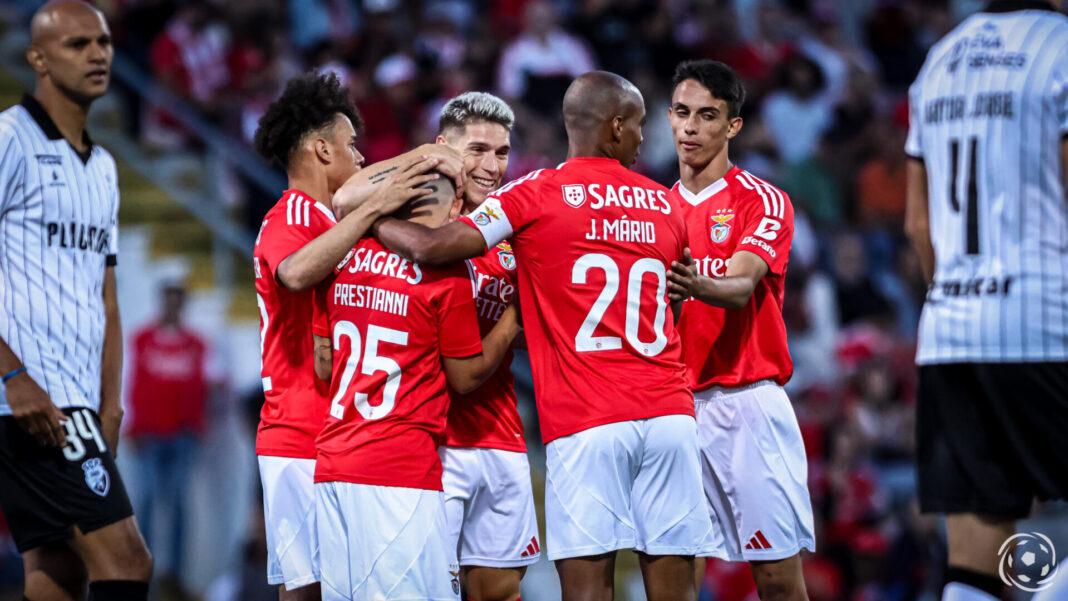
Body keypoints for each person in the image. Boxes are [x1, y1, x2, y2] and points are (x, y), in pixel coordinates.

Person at [374, 71, 715, 601]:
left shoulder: (534, 194)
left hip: (588, 419)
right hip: (670, 413)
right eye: (642, 125)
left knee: (586, 593)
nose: (648, 138)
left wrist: (365, 221)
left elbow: (433, 247)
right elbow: (673, 297)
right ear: (616, 126)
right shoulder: (668, 204)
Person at [251, 71, 450, 601]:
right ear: (321, 149)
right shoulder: (294, 212)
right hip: (296, 431)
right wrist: (373, 207)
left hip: (334, 438)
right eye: (351, 145)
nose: (361, 159)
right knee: (306, 590)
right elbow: (294, 273)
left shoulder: (329, 220)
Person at [903, 2, 1068, 600]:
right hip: (1050, 322)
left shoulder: (940, 59)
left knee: (975, 559)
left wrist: (956, 297)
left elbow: (919, 226)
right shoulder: (1061, 48)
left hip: (952, 332)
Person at [0, 2, 154, 601]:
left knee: (57, 570)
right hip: (27, 400)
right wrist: (13, 375)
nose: (98, 54)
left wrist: (111, 403)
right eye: (77, 44)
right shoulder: (10, 139)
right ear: (37, 57)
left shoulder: (105, 168)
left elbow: (107, 298)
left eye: (104, 41)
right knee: (127, 562)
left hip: (78, 403)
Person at [311, 176, 522, 601]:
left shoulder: (341, 257)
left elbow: (323, 363)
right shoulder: (446, 272)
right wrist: (515, 316)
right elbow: (465, 377)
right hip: (400, 470)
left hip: (332, 465)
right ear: (453, 207)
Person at [663, 59, 814, 601]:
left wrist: (683, 280)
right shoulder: (655, 211)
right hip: (675, 410)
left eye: (708, 116)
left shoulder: (762, 200)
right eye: (681, 113)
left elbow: (739, 285)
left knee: (776, 580)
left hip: (747, 403)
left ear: (733, 127)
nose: (690, 128)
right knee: (676, 582)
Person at [436, 93, 539, 601]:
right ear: (443, 149)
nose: (491, 166)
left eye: (501, 153)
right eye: (477, 150)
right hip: (431, 440)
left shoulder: (518, 233)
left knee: (500, 594)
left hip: (499, 433)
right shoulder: (417, 228)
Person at [127, 282, 213, 597]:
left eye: (178, 300)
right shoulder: (142, 339)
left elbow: (208, 382)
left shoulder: (196, 344)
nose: (172, 306)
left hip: (182, 435)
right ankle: (142, 573)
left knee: (177, 506)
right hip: (149, 435)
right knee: (146, 503)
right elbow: (131, 380)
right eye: (168, 299)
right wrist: (131, 426)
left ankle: (173, 576)